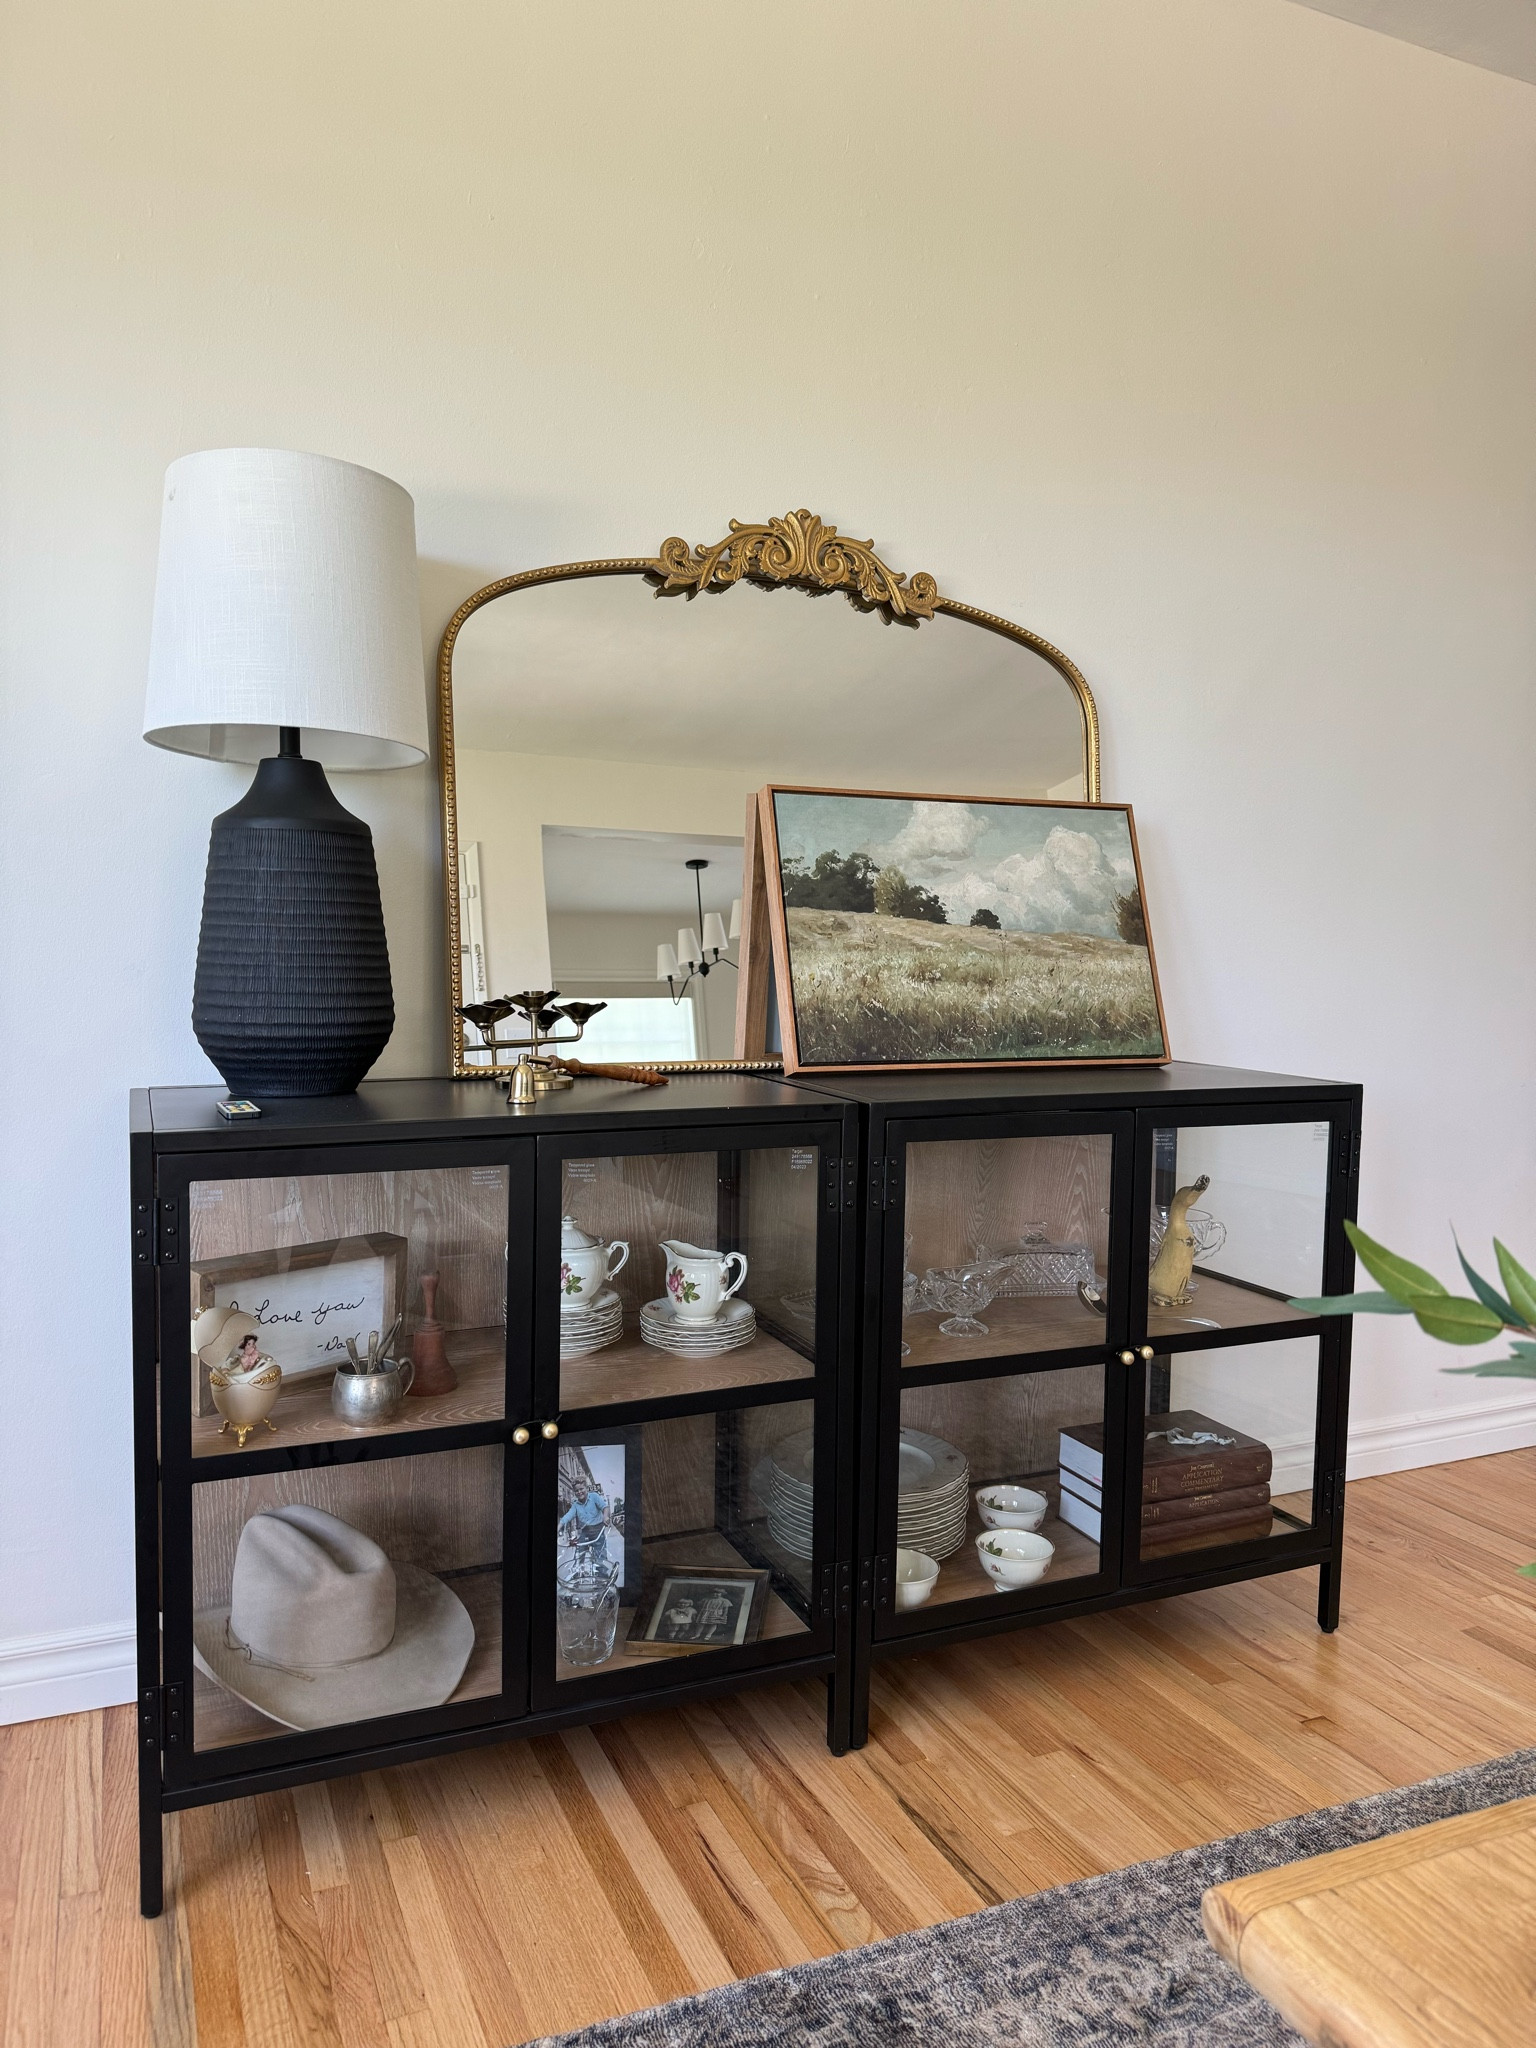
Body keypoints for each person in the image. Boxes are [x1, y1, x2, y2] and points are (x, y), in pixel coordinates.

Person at [557, 1476, 613, 1574]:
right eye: (576, 1491)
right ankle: (578, 1573)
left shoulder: (594, 1496)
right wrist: (558, 1527)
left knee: (600, 1556)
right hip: (585, 1531)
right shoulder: (575, 1505)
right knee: (579, 1553)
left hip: (598, 1530)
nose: (579, 1492)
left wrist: (605, 1517)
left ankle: (602, 1578)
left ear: (586, 1488)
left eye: (581, 1489)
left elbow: (605, 1507)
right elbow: (567, 1517)